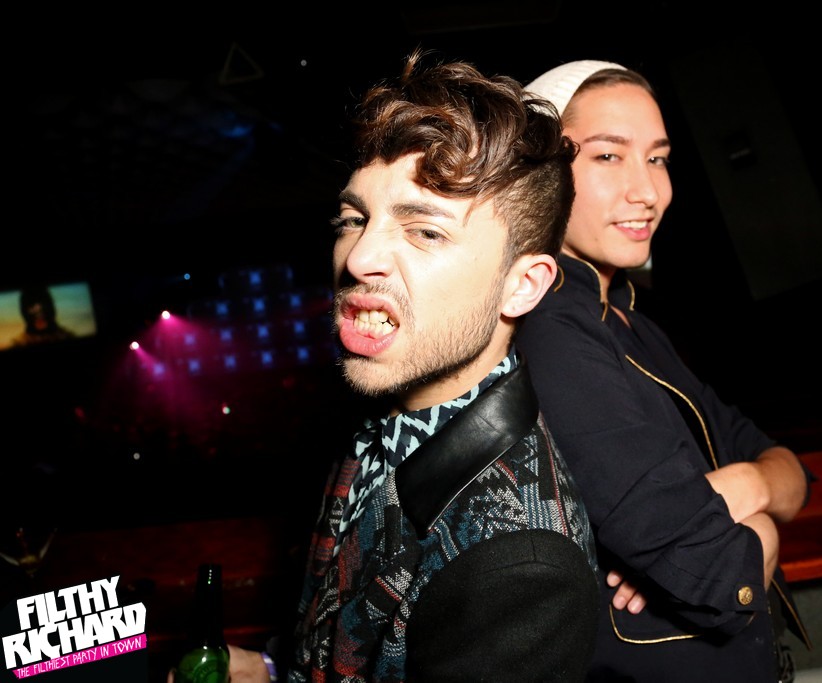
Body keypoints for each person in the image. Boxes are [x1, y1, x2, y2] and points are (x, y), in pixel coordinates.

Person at [186, 50, 600, 682]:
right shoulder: (373, 408)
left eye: (425, 231)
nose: (358, 257)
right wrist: (271, 667)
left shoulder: (524, 570)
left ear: (522, 286)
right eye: (354, 218)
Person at [516, 60, 813, 682]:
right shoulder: (549, 330)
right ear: (538, 172)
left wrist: (747, 485)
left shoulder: (630, 322)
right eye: (607, 156)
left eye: (657, 158)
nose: (648, 191)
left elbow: (789, 470)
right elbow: (718, 573)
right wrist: (759, 522)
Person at [9, 285, 75, 346]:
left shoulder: (67, 337)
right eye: (31, 306)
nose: (37, 311)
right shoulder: (19, 344)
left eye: (43, 305)